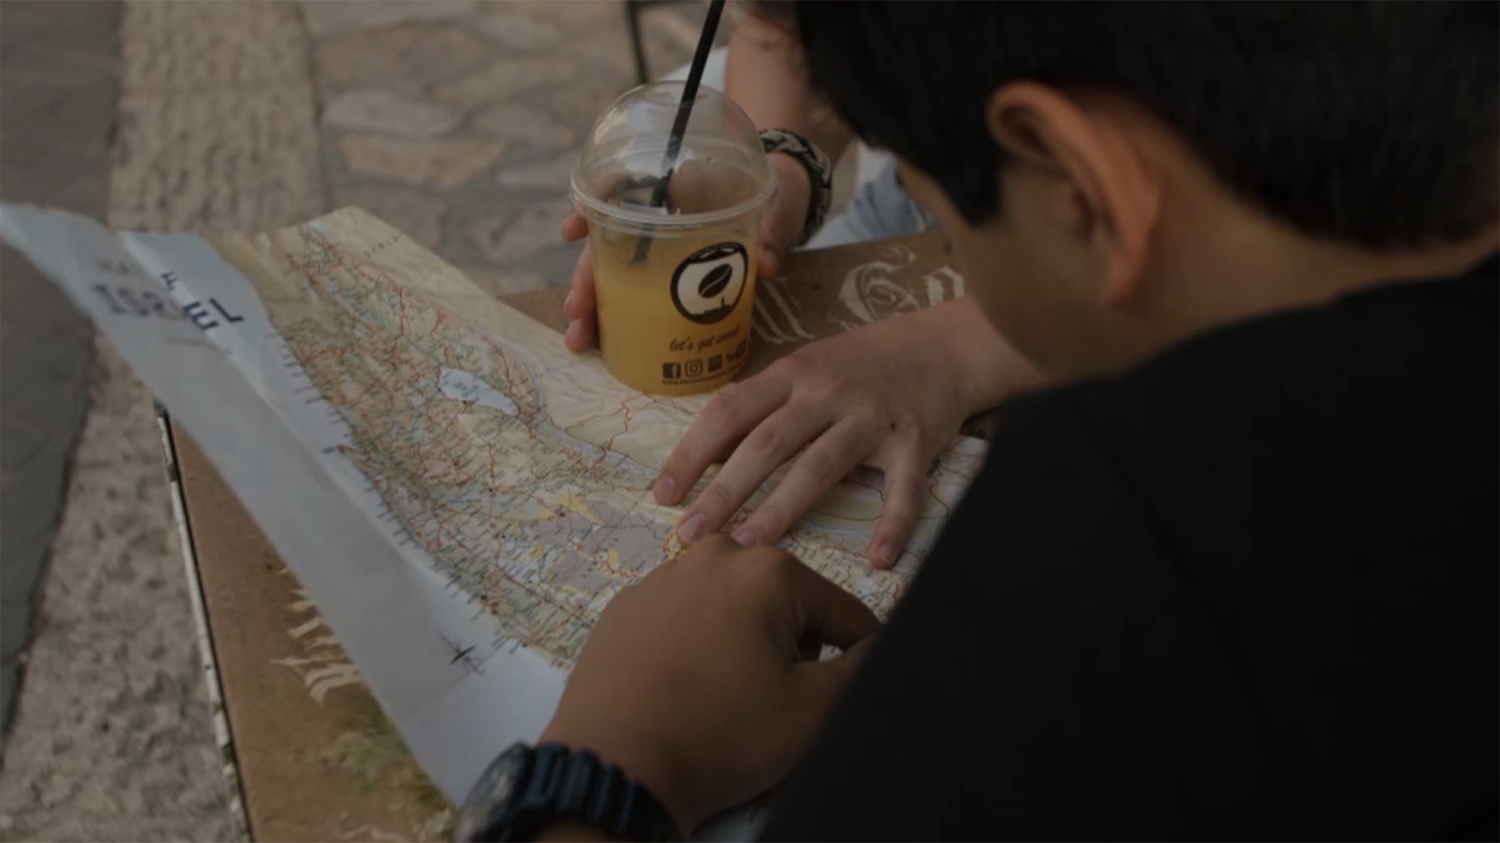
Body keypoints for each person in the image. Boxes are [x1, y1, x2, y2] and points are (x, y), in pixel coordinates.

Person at [479, 0, 1500, 839]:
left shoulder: (1126, 525)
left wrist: (614, 765)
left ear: (1078, 183)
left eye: (946, 221)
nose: (953, 257)